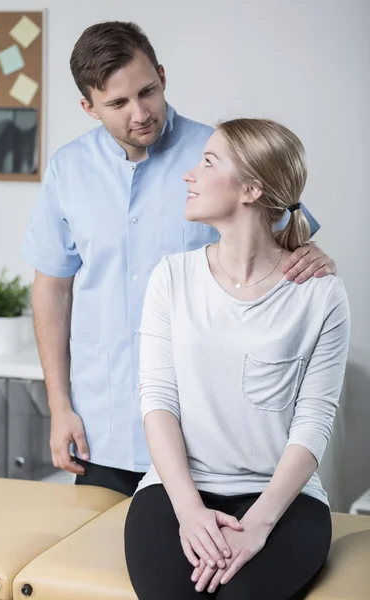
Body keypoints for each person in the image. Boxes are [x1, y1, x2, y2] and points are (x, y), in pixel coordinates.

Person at [22, 21, 335, 497]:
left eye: (148, 91)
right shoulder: (68, 169)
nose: (141, 112)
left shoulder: (221, 155)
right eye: (118, 103)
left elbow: (291, 229)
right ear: (88, 107)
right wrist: (59, 405)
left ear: (163, 75)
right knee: (96, 563)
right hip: (100, 424)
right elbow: (52, 289)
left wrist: (310, 254)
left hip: (206, 438)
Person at [124, 118, 350, 599]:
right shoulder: (172, 278)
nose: (190, 175)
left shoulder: (321, 294)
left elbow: (314, 421)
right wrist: (189, 510)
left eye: (207, 162)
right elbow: (158, 398)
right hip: (175, 491)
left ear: (251, 188)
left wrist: (258, 524)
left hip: (284, 501)